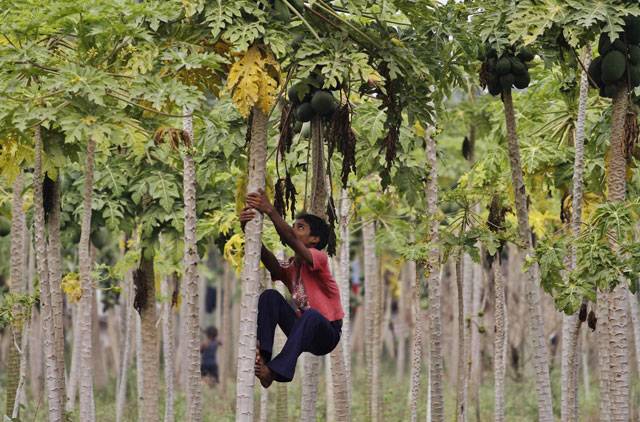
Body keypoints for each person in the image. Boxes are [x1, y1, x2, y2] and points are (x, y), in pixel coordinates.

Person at [240, 189, 344, 388]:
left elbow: (290, 239)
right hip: (302, 329)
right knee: (270, 296)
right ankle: (264, 361)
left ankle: (279, 371)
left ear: (314, 239)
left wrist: (270, 210)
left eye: (300, 227)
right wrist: (249, 231)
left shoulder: (318, 258)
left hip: (326, 334)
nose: (294, 230)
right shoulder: (292, 267)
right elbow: (272, 264)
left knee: (312, 315)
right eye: (294, 226)